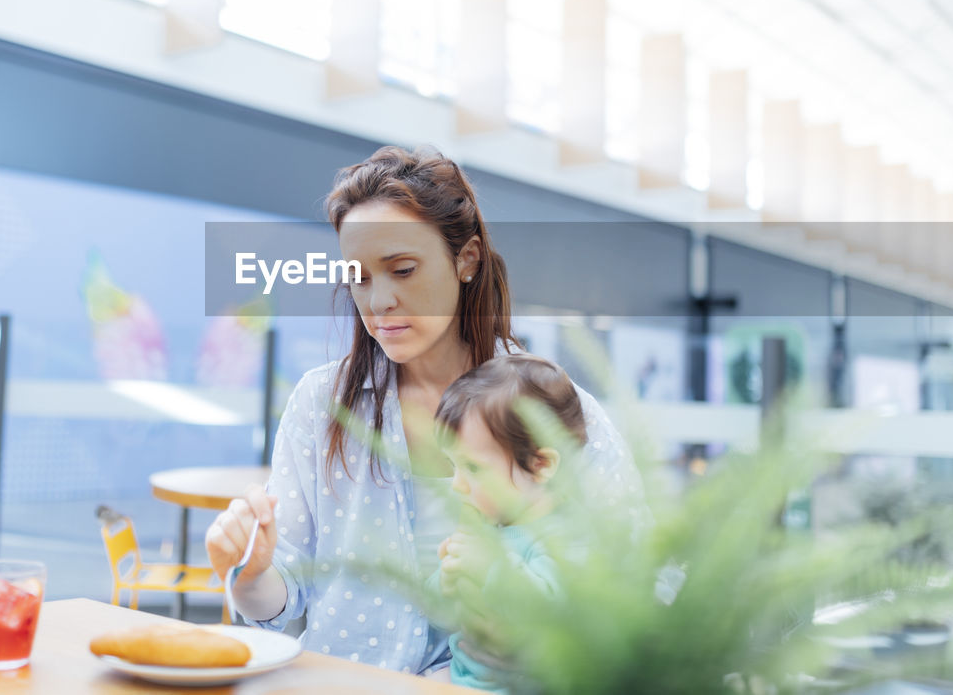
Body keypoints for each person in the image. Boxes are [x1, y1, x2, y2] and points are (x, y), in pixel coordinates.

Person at [204, 145, 644, 675]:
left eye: (403, 269)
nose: (379, 301)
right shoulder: (320, 406)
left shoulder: (552, 410)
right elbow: (282, 600)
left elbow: (632, 585)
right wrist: (251, 575)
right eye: (359, 278)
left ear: (467, 260)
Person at [427, 354, 592, 692]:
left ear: (541, 464)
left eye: (472, 468)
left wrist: (491, 566)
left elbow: (548, 610)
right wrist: (447, 578)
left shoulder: (568, 539)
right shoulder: (490, 526)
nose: (457, 484)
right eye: (452, 466)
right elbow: (442, 616)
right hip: (462, 679)